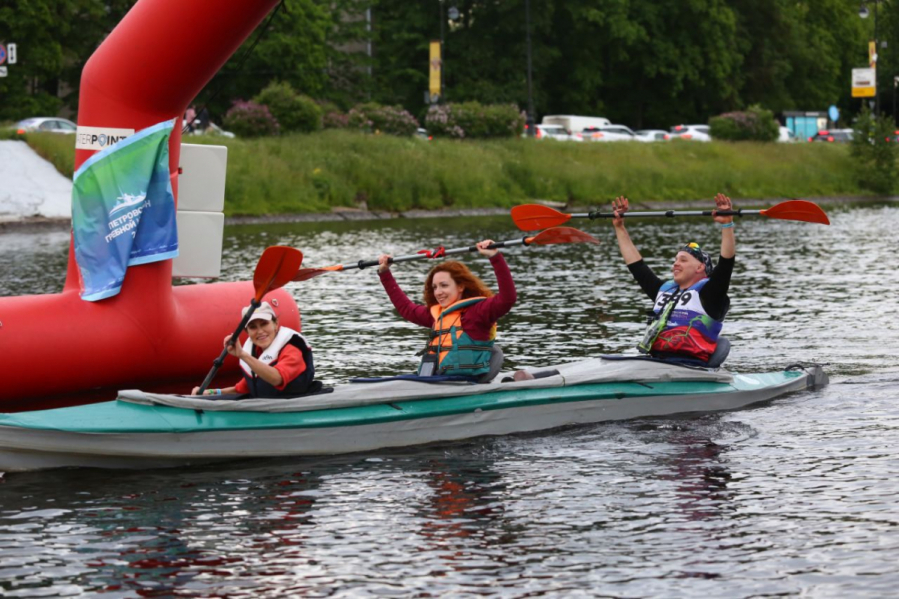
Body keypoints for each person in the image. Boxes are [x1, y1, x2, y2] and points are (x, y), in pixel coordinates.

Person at [611, 193, 735, 364]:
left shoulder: (710, 294)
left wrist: (727, 224)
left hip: (690, 368)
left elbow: (726, 264)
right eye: (675, 260)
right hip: (657, 363)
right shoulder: (665, 292)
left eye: (683, 260)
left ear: (700, 268)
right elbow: (637, 266)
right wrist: (619, 227)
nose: (675, 264)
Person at [377, 240, 516, 381]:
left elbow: (507, 299)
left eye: (444, 285)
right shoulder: (436, 316)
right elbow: (406, 309)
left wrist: (495, 256)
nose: (438, 292)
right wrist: (385, 273)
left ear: (461, 286)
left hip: (464, 384)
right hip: (435, 381)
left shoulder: (479, 312)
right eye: (435, 287)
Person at [191, 301, 318, 398]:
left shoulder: (291, 350)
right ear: (247, 332)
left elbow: (277, 379)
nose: (260, 331)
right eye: (253, 327)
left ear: (276, 324)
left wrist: (242, 355)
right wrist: (210, 392)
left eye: (264, 324)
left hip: (294, 409)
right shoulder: (255, 353)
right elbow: (240, 389)